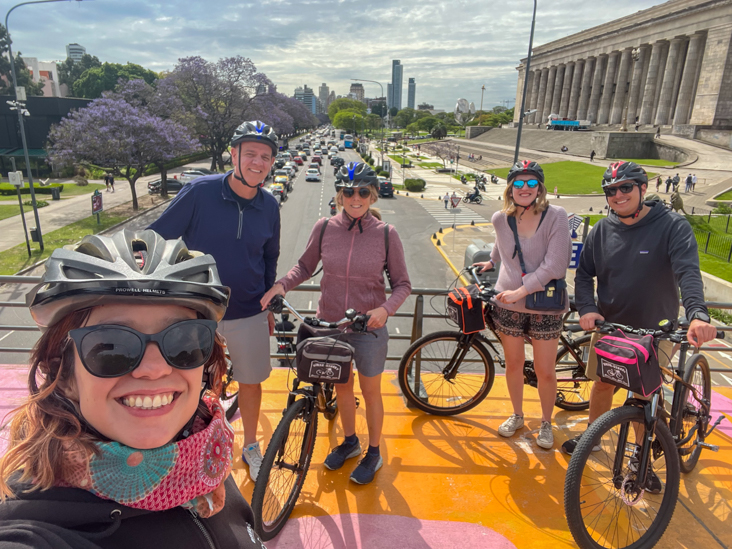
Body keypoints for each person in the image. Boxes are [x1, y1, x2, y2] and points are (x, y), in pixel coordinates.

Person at [0, 230, 266, 548]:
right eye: (111, 346)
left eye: (183, 341)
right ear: (64, 374)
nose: (154, 369)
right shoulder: (36, 531)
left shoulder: (206, 456)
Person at [260, 162, 411, 485]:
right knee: (343, 388)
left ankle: (373, 451)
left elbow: (402, 285)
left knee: (370, 392)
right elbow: (303, 266)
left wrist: (385, 310)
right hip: (331, 325)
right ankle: (350, 441)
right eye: (348, 192)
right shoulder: (325, 228)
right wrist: (281, 285)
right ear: (340, 195)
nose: (355, 198)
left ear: (372, 196)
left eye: (362, 192)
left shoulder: (386, 234)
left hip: (368, 328)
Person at [149, 120, 281, 482]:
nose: (258, 162)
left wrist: (267, 304)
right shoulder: (199, 192)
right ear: (233, 154)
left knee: (252, 381)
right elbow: (156, 239)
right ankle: (185, 444)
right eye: (250, 153)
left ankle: (251, 445)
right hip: (197, 312)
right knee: (187, 382)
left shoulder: (270, 206)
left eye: (265, 157)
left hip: (248, 311)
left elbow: (270, 257)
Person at [563, 161, 717, 462]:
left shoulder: (672, 226)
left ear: (642, 189)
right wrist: (588, 308)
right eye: (611, 190)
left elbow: (688, 272)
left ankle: (640, 454)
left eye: (626, 187)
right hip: (611, 327)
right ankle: (592, 438)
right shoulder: (602, 230)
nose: (618, 195)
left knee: (642, 394)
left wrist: (698, 313)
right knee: (602, 383)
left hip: (655, 330)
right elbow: (584, 274)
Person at [472, 160, 572, 450]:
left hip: (544, 304)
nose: (525, 188)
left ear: (539, 188)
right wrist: (492, 260)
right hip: (508, 303)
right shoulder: (500, 218)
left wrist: (521, 291)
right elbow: (502, 241)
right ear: (510, 188)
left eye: (531, 183)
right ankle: (517, 414)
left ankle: (545, 422)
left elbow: (555, 264)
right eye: (519, 183)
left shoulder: (557, 216)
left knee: (545, 371)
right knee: (514, 364)